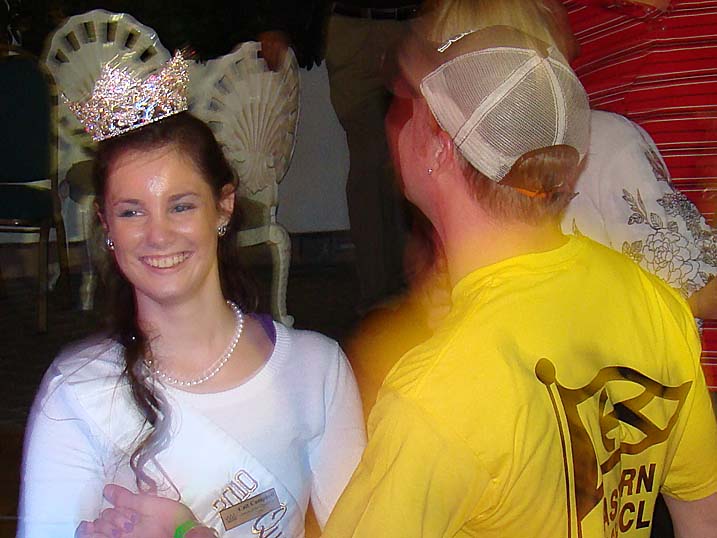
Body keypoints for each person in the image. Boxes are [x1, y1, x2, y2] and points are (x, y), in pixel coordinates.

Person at [319, 25, 717, 537]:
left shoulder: (438, 392)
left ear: (439, 149)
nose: (394, 122)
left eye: (411, 108)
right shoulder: (655, 305)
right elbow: (705, 517)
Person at [18, 52, 366, 538]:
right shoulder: (78, 392)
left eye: (180, 206)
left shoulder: (316, 371)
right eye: (132, 212)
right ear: (105, 225)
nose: (158, 235)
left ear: (223, 207)